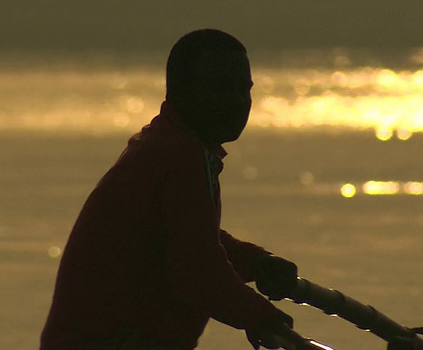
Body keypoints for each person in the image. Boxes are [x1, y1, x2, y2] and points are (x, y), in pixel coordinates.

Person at [41, 29, 299, 350]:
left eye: (243, 89)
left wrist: (257, 263)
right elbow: (198, 274)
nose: (236, 102)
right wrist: (264, 319)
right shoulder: (178, 157)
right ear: (183, 91)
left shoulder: (171, 144)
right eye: (220, 88)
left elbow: (184, 238)